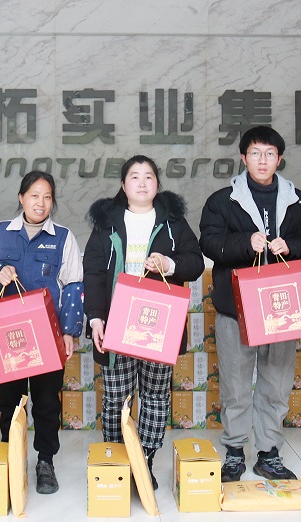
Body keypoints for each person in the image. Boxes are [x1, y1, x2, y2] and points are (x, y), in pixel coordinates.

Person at [199, 126, 301, 481]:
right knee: (235, 385)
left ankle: (269, 453)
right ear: (244, 158)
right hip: (235, 307)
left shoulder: (297, 199)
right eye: (255, 153)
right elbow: (209, 241)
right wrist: (244, 243)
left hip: (282, 308)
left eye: (270, 154)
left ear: (279, 159)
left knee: (276, 383)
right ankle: (235, 452)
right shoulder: (223, 200)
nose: (263, 160)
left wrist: (292, 246)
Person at [83, 155, 204, 490]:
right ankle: (118, 461)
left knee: (154, 395)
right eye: (134, 177)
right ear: (123, 185)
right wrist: (95, 318)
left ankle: (145, 461)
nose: (141, 182)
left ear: (157, 184)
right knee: (116, 398)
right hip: (115, 323)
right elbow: (93, 272)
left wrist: (170, 263)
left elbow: (194, 262)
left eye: (148, 176)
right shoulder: (107, 222)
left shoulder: (173, 222)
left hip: (158, 324)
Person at [0, 170, 84, 494]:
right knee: (10, 400)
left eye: (47, 197)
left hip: (48, 335)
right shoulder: (1, 232)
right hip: (7, 335)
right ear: (21, 198)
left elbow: (74, 284)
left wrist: (69, 332)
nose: (41, 202)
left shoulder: (63, 237)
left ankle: (45, 461)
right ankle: (12, 455)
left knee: (47, 401)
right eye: (34, 195)